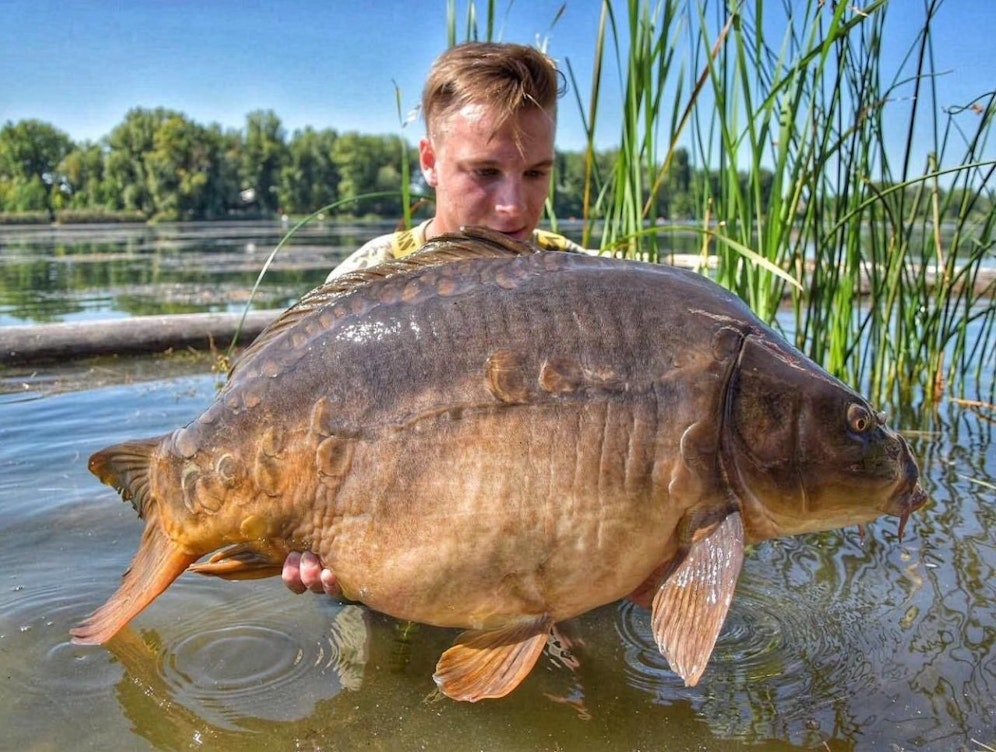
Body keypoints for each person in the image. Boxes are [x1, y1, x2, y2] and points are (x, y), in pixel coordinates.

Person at [282, 40, 586, 598]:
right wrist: (295, 528)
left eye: (537, 172)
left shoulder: (578, 284)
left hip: (540, 572)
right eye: (486, 172)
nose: (515, 206)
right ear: (429, 162)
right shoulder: (365, 282)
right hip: (390, 573)